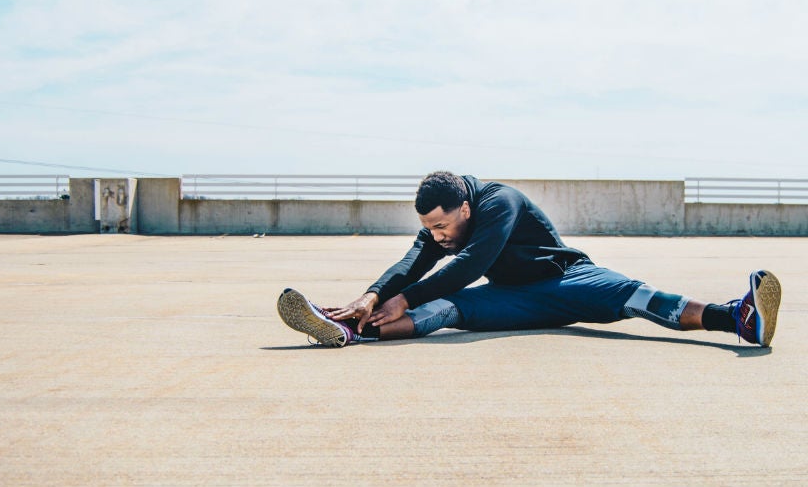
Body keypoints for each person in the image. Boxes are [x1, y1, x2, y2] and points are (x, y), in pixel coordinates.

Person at [277, 171, 782, 348]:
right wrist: (373, 296)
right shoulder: (441, 223)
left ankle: (738, 318)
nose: (436, 236)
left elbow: (472, 262)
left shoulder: (501, 202)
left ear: (466, 208)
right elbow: (414, 262)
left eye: (443, 226)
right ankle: (348, 329)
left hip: (568, 280)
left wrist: (405, 295)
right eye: (430, 227)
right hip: (512, 300)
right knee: (448, 310)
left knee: (637, 296)